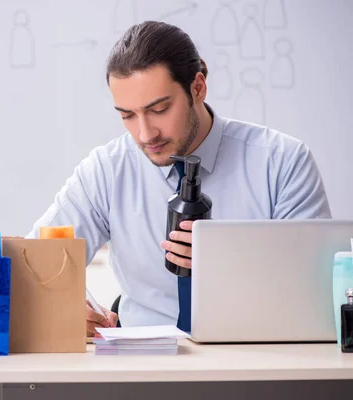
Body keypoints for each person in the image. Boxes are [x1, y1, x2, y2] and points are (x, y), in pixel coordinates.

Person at [26, 21, 331, 337]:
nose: (145, 134)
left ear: (197, 88)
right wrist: (62, 307)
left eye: (159, 109)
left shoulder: (282, 163)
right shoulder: (107, 170)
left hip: (258, 359)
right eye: (127, 116)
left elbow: (319, 293)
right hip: (142, 370)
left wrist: (234, 267)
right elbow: (33, 267)